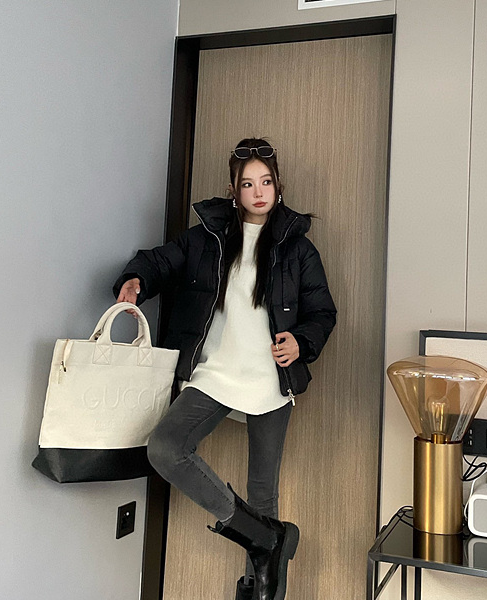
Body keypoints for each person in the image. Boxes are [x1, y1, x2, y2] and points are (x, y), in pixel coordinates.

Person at [114, 138, 336, 600]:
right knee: (166, 448)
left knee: (263, 493)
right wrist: (136, 280)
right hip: (214, 373)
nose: (259, 192)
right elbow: (158, 262)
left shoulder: (297, 248)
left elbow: (322, 312)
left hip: (272, 379)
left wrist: (301, 341)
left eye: (266, 181)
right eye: (248, 184)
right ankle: (267, 538)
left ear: (278, 185)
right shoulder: (207, 238)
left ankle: (259, 588)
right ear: (233, 190)